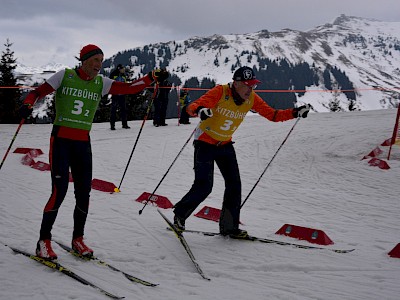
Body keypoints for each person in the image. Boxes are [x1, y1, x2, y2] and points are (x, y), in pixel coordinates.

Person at [19, 44, 169, 260]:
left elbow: (128, 88)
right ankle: (43, 241)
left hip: (82, 143)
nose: (99, 64)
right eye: (95, 60)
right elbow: (37, 92)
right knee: (58, 192)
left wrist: (150, 77)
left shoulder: (101, 82)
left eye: (101, 60)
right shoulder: (66, 75)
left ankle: (77, 239)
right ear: (84, 60)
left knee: (83, 193)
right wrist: (28, 104)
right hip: (61, 141)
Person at [173, 66, 311, 238]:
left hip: (225, 144)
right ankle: (180, 213)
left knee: (234, 185)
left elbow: (273, 115)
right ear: (236, 83)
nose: (251, 89)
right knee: (204, 186)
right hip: (205, 142)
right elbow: (192, 107)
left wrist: (295, 112)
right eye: (247, 85)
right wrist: (200, 111)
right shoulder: (220, 91)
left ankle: (229, 227)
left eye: (253, 85)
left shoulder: (251, 98)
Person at [109, 64, 129, 130]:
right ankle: (112, 125)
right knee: (113, 110)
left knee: (123, 109)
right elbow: (110, 83)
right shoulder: (113, 74)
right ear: (119, 69)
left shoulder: (123, 76)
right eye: (122, 69)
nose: (123, 70)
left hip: (122, 95)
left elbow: (125, 84)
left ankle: (124, 124)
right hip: (115, 95)